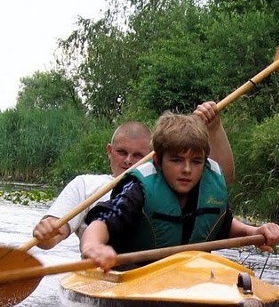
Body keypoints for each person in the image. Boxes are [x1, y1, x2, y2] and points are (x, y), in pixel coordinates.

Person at [80, 111, 279, 272]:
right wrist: (93, 247)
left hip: (185, 277)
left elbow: (224, 224)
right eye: (177, 160)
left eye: (196, 161)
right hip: (132, 275)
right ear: (158, 160)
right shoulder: (138, 190)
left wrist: (254, 232)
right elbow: (102, 223)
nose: (187, 169)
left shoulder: (209, 187)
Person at [33, 101, 234, 250]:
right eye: (122, 152)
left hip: (176, 275)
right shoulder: (85, 184)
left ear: (152, 158)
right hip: (117, 270)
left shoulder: (175, 182)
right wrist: (46, 235)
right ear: (110, 151)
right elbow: (52, 237)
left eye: (138, 155)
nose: (129, 161)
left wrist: (214, 127)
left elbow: (222, 185)